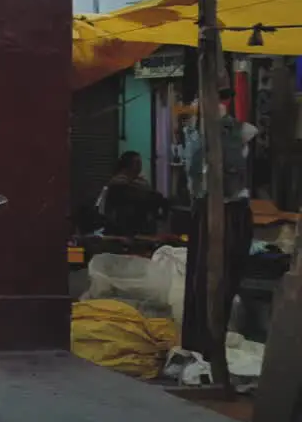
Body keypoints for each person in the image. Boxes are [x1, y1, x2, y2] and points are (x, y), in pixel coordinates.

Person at [180, 90, 257, 359]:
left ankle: (214, 344)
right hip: (204, 210)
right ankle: (202, 344)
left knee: (224, 278)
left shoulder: (241, 132)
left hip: (231, 211)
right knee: (200, 281)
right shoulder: (193, 133)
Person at [98, 151, 167, 236]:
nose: (140, 166)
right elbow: (138, 197)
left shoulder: (140, 182)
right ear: (128, 165)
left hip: (139, 228)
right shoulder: (118, 184)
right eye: (137, 163)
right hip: (121, 229)